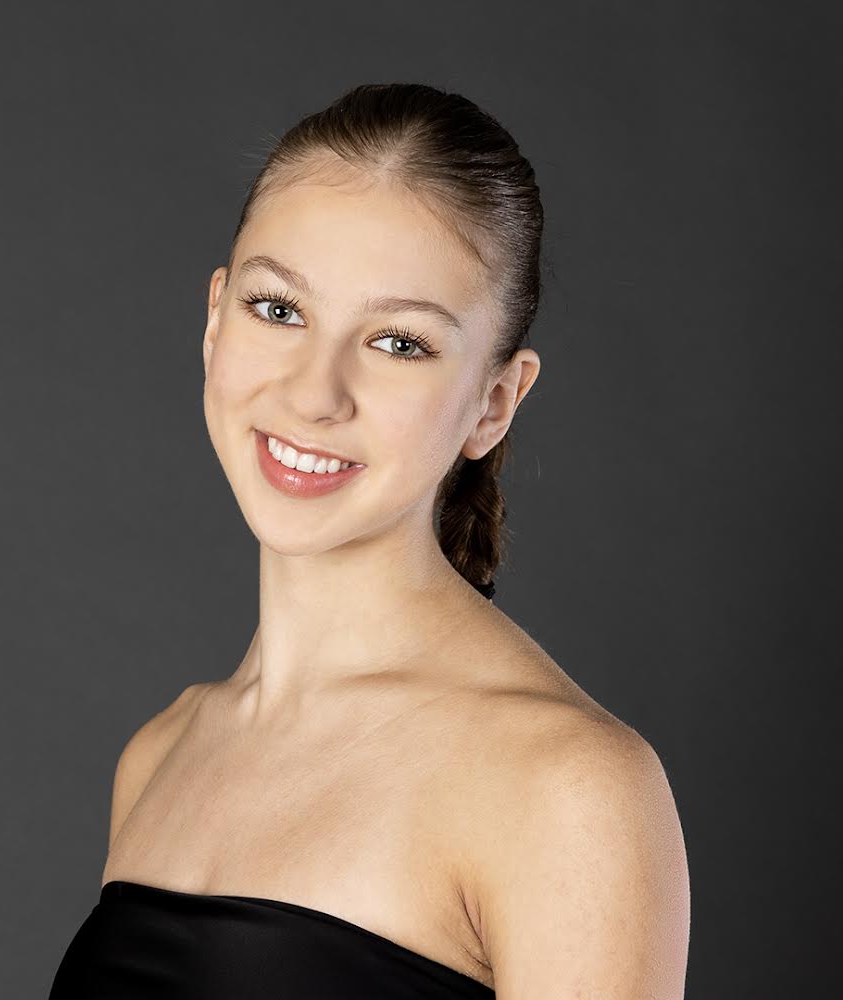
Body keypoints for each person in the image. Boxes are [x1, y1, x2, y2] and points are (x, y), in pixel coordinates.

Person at [49, 82, 690, 999]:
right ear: (215, 319)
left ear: (494, 403)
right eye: (279, 309)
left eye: (398, 343)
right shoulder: (161, 753)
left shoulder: (569, 787)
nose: (315, 394)